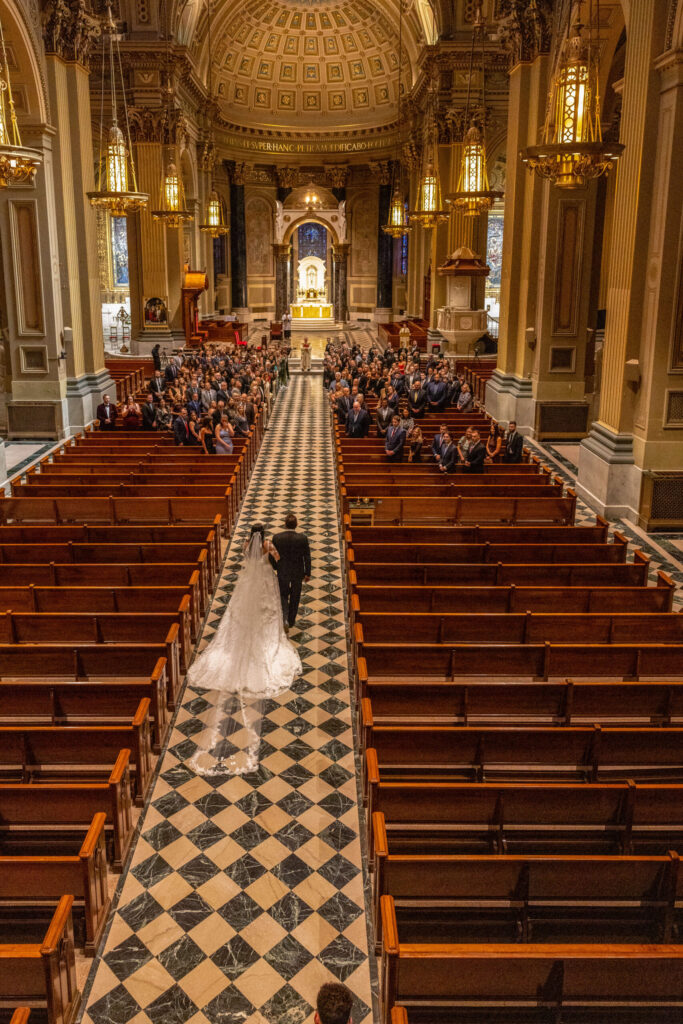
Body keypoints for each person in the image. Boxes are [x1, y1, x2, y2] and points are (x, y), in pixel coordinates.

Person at [186, 523, 303, 777]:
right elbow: (277, 559)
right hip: (263, 580)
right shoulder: (267, 544)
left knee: (240, 615)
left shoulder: (247, 544)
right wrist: (272, 569)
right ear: (263, 533)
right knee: (268, 614)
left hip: (248, 580)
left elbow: (243, 558)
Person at [272, 513, 311, 633]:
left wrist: (275, 567)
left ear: (285, 524)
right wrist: (307, 573)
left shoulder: (277, 537)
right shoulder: (302, 538)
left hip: (282, 570)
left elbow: (273, 555)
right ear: (296, 525)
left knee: (283, 595)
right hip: (297, 572)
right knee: (295, 595)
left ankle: (284, 619)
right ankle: (291, 620)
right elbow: (307, 557)